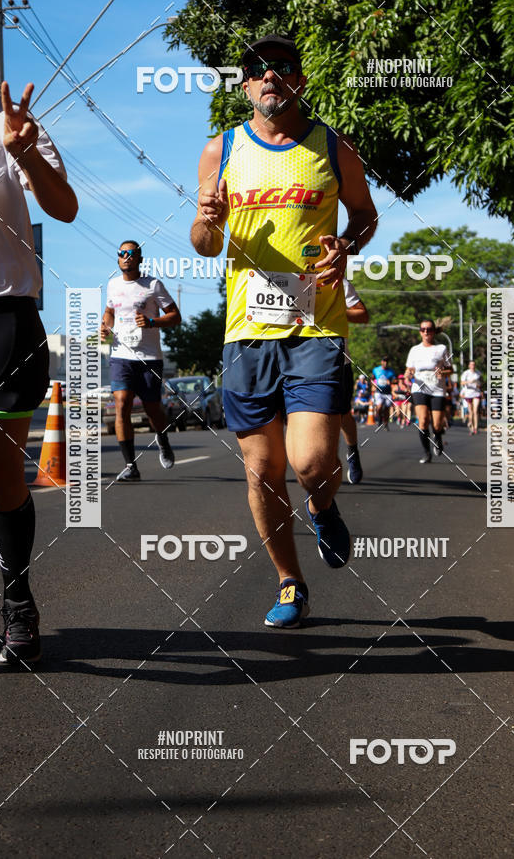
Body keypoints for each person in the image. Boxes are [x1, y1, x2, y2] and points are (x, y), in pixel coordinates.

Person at [190, 33, 377, 627]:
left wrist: (346, 246)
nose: (268, 75)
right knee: (262, 471)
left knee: (313, 463)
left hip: (316, 327)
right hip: (246, 332)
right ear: (245, 84)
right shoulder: (220, 149)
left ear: (299, 80)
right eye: (256, 68)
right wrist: (206, 220)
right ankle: (290, 582)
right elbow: (204, 244)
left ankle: (322, 509)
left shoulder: (332, 146)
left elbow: (365, 215)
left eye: (281, 66)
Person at [0, 81, 78, 664]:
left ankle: (18, 602)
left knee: (2, 480)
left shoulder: (10, 124)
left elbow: (65, 208)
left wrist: (24, 152)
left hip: (5, 317)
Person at [101, 241, 181, 481]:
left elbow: (175, 316)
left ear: (140, 259)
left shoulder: (153, 285)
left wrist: (152, 322)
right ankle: (130, 466)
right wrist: (105, 326)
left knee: (152, 409)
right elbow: (110, 312)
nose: (126, 257)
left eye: (131, 253)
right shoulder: (113, 285)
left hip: (149, 358)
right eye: (122, 253)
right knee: (122, 403)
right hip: (121, 355)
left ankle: (163, 439)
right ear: (118, 258)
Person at [405, 319, 453, 463]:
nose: (426, 332)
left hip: (437, 389)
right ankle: (426, 453)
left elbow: (450, 369)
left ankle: (437, 436)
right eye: (423, 329)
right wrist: (408, 374)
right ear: (420, 332)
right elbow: (409, 369)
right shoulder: (414, 350)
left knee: (437, 424)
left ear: (434, 331)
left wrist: (443, 373)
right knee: (423, 420)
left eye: (429, 329)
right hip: (419, 388)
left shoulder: (441, 348)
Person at [340, 278, 369, 484]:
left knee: (342, 414)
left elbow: (362, 314)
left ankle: (352, 450)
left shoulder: (337, 281)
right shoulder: (283, 276)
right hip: (294, 362)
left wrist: (333, 312)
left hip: (336, 361)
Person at [371, 356, 396, 430]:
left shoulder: (391, 371)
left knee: (387, 409)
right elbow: (372, 378)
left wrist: (390, 381)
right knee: (379, 407)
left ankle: (386, 423)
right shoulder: (376, 370)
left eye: (387, 361)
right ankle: (379, 420)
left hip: (387, 392)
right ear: (381, 362)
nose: (385, 363)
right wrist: (373, 384)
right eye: (384, 361)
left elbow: (395, 380)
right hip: (378, 391)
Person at [460, 359, 483, 435]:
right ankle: (472, 427)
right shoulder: (466, 373)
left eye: (474, 364)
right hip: (468, 393)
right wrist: (469, 382)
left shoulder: (478, 373)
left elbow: (481, 382)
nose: (473, 366)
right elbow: (462, 382)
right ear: (469, 365)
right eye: (471, 364)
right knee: (471, 411)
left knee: (475, 410)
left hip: (476, 393)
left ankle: (476, 427)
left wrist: (478, 384)